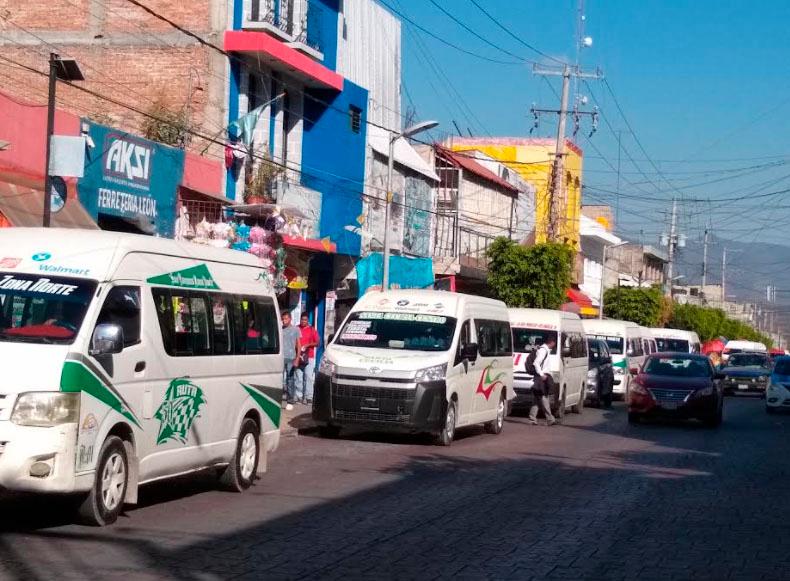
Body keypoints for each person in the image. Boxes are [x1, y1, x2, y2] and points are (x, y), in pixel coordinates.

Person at [528, 337, 558, 426]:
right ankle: (550, 419)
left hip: (541, 376)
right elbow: (536, 363)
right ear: (551, 342)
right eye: (555, 342)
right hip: (541, 378)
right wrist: (541, 374)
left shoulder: (545, 350)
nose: (555, 344)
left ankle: (532, 418)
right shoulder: (543, 350)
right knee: (544, 397)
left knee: (537, 399)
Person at [295, 313, 320, 405]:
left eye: (305, 320)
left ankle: (309, 397)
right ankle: (298, 396)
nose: (303, 321)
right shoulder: (296, 329)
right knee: (299, 377)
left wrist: (308, 345)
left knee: (308, 377)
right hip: (298, 356)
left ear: (307, 320)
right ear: (300, 320)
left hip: (309, 357)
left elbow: (317, 342)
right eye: (302, 319)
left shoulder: (312, 330)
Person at [281, 311, 301, 411]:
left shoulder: (296, 329)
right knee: (280, 379)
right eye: (283, 319)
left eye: (286, 319)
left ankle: (290, 401)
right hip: (281, 358)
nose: (284, 321)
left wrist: (297, 358)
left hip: (291, 357)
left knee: (290, 379)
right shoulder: (280, 329)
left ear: (290, 319)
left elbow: (298, 344)